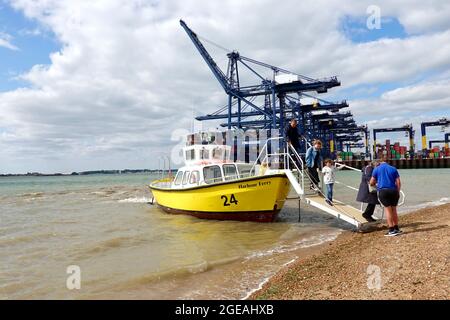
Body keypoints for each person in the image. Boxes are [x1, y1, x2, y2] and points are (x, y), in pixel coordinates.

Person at [370, 155, 402, 236]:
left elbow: (371, 182)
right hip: (394, 191)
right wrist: (397, 191)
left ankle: (391, 230)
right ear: (388, 161)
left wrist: (376, 185)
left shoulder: (376, 169)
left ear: (380, 161)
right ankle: (396, 228)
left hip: (383, 191)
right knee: (394, 210)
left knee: (388, 210)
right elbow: (398, 182)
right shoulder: (393, 168)